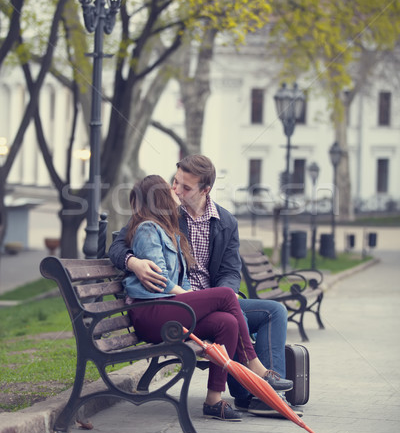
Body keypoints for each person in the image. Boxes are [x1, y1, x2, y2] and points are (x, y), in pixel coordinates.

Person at [109, 155, 301, 418]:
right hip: (175, 301)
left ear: (205, 190)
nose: (176, 190)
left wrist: (226, 294)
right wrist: (133, 262)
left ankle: (260, 396)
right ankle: (255, 386)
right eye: (175, 182)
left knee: (273, 311)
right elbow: (118, 244)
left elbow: (231, 271)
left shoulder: (225, 221)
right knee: (231, 312)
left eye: (185, 187)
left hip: (209, 297)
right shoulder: (164, 212)